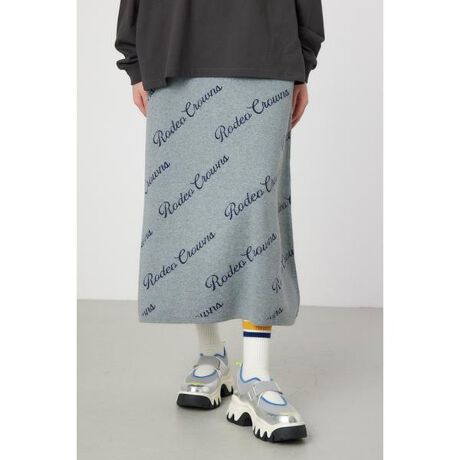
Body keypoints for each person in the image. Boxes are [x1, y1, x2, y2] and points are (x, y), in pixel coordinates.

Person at [115, 0, 324, 443]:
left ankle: (255, 375)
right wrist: (135, 60)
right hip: (171, 51)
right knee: (188, 214)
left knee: (255, 217)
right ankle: (211, 353)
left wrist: (302, 61)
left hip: (264, 48)